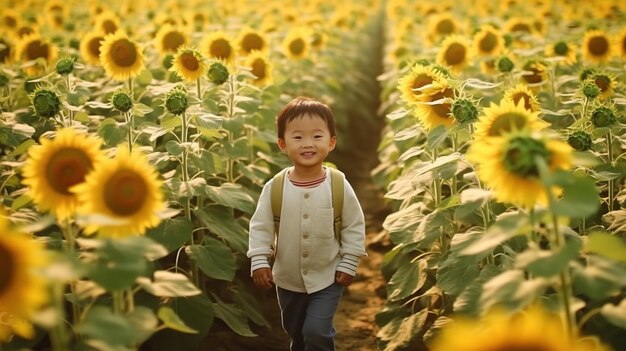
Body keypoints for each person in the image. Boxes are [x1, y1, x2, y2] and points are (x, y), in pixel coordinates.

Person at [247, 96, 367, 351]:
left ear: (331, 142)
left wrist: (350, 260)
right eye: (298, 137)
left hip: (328, 276)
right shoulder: (275, 187)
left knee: (316, 332)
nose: (308, 144)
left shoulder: (337, 184)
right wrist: (259, 260)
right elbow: (261, 227)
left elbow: (353, 225)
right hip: (287, 277)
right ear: (282, 144)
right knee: (296, 332)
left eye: (317, 136)